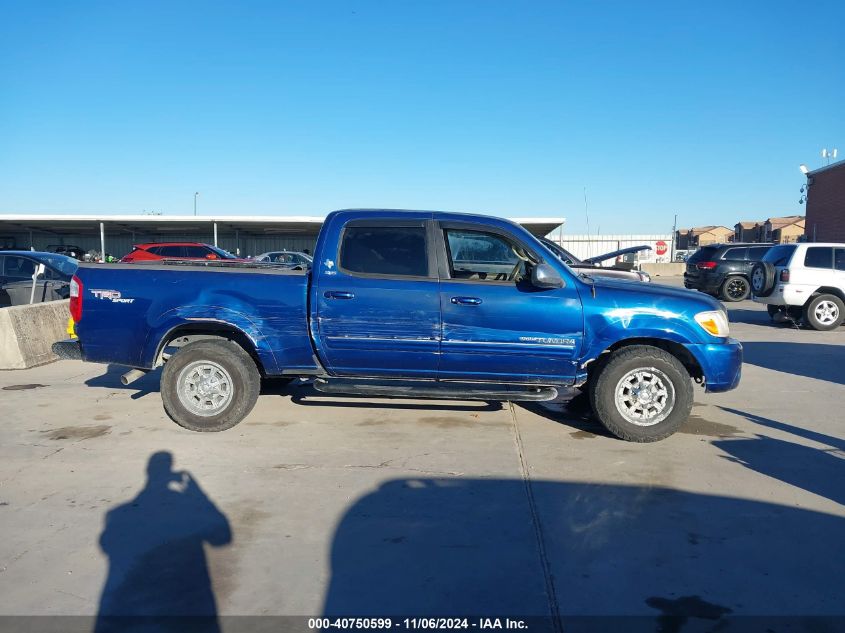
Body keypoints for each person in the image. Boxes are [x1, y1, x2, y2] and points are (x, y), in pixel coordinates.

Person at [95, 452, 231, 633]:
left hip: (131, 607)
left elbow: (107, 544)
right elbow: (222, 537)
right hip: (185, 605)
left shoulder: (118, 514)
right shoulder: (187, 509)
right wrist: (198, 494)